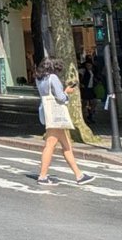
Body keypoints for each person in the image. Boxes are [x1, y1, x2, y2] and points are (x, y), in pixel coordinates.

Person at [34, 57, 95, 186]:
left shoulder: (39, 79)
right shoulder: (53, 78)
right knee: (50, 145)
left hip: (46, 112)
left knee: (66, 145)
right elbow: (61, 98)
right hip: (56, 116)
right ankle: (43, 176)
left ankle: (79, 175)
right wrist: (67, 92)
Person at [78, 56, 97, 123]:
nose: (88, 66)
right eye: (87, 65)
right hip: (85, 89)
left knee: (94, 102)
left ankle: (90, 114)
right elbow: (79, 76)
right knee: (85, 103)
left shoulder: (92, 71)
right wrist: (81, 83)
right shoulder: (83, 70)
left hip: (91, 88)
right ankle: (85, 117)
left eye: (90, 65)